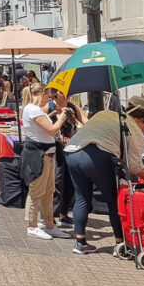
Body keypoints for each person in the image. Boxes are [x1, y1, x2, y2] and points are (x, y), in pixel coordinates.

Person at [63, 106, 144, 256]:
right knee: (113, 200)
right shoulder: (133, 129)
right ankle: (119, 243)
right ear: (140, 120)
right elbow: (135, 166)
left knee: (82, 197)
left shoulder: (105, 114)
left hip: (72, 152)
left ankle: (80, 242)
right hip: (96, 155)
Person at [21, 83, 68, 240]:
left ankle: (49, 224)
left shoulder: (34, 110)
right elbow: (51, 130)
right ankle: (32, 226)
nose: (49, 99)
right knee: (37, 192)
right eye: (48, 96)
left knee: (48, 191)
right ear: (41, 94)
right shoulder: (33, 110)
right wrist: (61, 119)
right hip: (39, 156)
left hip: (47, 155)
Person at [50, 88, 86, 228]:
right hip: (55, 148)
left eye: (68, 92)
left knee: (71, 181)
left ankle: (63, 214)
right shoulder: (50, 106)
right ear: (55, 93)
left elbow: (84, 120)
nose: (66, 94)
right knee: (57, 181)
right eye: (62, 92)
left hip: (71, 148)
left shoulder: (72, 107)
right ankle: (51, 216)